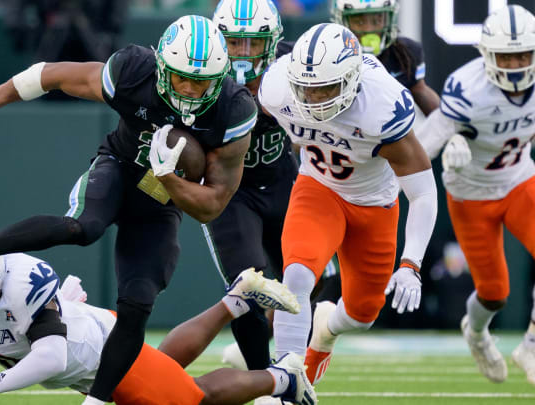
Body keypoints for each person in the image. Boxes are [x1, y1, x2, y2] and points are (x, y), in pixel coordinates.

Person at [0, 15, 257, 405]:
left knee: (137, 303)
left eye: (201, 82)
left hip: (163, 199)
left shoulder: (233, 110)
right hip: (118, 167)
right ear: (162, 67)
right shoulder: (135, 71)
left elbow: (213, 204)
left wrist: (169, 178)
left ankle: (97, 401)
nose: (188, 90)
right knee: (83, 227)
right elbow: (50, 74)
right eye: (181, 78)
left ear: (220, 79)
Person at [0, 229, 316, 405]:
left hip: (99, 354)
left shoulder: (21, 285)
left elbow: (51, 358)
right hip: (92, 349)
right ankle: (237, 301)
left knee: (192, 398)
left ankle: (285, 378)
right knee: (166, 368)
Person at [258, 22, 438, 385]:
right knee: (296, 276)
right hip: (318, 189)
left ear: (352, 79)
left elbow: (422, 192)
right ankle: (284, 381)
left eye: (325, 88)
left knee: (362, 316)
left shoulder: (382, 106)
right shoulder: (278, 89)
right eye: (306, 89)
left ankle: (326, 327)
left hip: (375, 204)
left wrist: (411, 264)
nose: (313, 99)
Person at [209, 0, 337, 384]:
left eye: (255, 42)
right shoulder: (203, 70)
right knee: (246, 286)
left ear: (274, 41)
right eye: (234, 43)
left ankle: (281, 351)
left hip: (282, 178)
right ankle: (262, 380)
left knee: (322, 277)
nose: (245, 54)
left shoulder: (295, 65)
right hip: (230, 191)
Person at [416, 5, 535, 386]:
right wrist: (451, 140)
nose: (516, 65)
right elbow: (421, 147)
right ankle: (478, 334)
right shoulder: (468, 89)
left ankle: (530, 343)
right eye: (507, 56)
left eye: (524, 55)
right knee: (494, 292)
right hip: (471, 194)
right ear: (487, 55)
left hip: (519, 181)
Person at [331, 0, 440, 115]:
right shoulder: (329, 56)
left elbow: (423, 95)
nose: (369, 30)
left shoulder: (405, 55)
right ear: (342, 22)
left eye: (377, 20)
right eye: (359, 22)